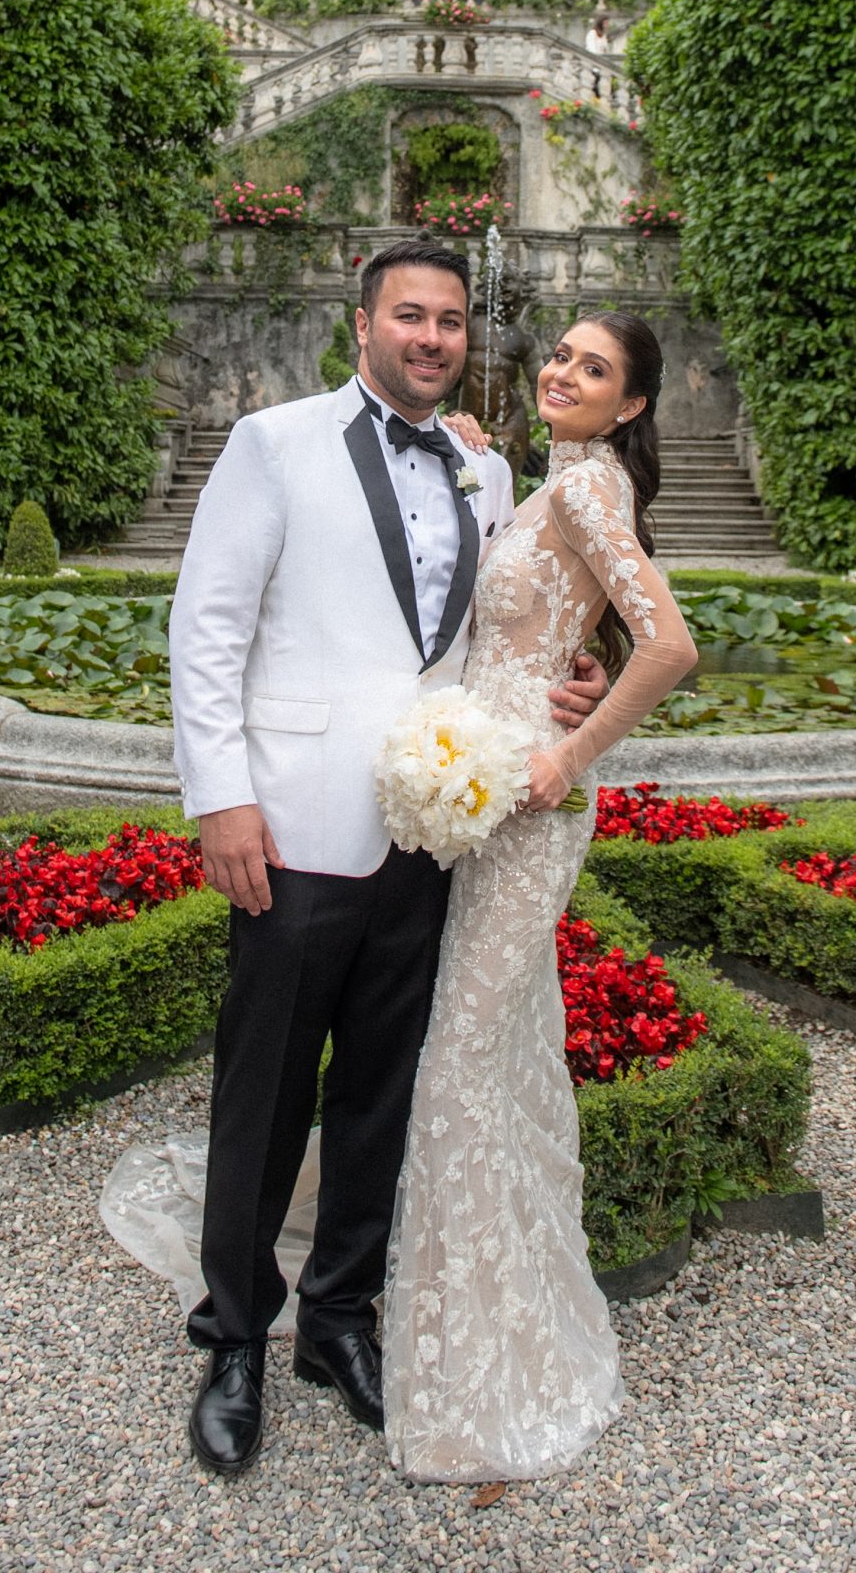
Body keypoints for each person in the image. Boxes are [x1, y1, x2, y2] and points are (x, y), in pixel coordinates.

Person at [158, 241, 613, 1475]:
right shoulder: (273, 443)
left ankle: (340, 1320)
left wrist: (569, 682)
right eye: (408, 315)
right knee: (263, 1093)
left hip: (433, 827)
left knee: (378, 1090)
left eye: (451, 320)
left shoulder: (484, 464)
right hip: (294, 824)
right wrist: (222, 799)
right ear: (361, 324)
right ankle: (236, 1334)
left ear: (470, 338)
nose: (431, 335)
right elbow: (206, 629)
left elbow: (499, 630)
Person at [381, 312, 697, 1481]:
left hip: (525, 805)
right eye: (559, 355)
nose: (563, 370)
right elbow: (557, 620)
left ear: (629, 407)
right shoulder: (549, 481)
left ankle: (482, 1360)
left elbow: (669, 644)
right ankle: (439, 1303)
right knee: (481, 1049)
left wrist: (572, 755)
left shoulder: (589, 489)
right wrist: (473, 455)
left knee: (462, 1055)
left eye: (594, 368)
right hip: (479, 793)